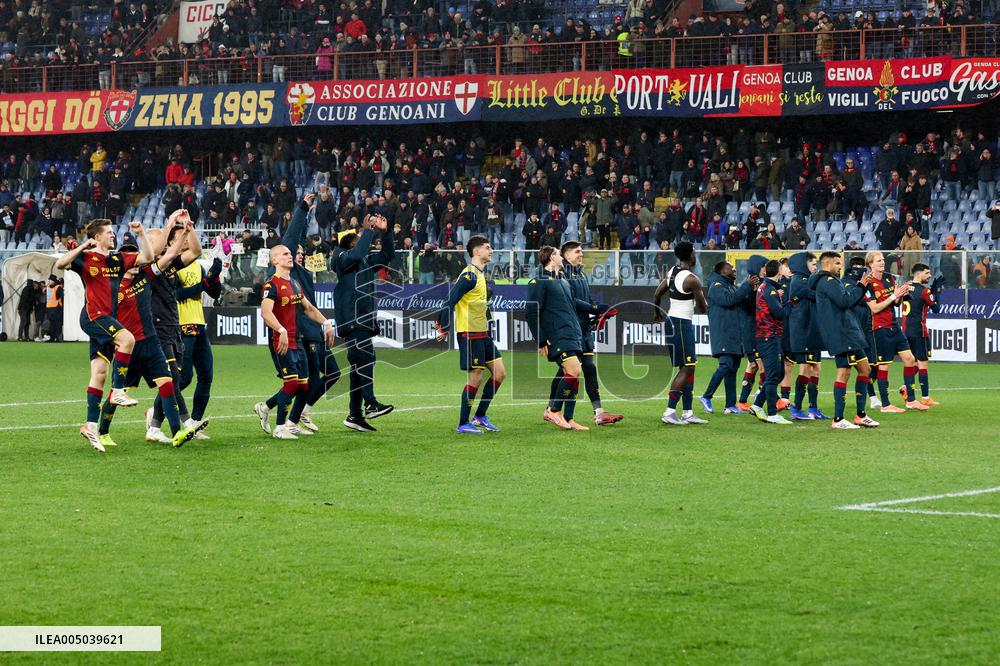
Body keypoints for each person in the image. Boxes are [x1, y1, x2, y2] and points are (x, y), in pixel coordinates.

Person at [98, 232, 206, 449]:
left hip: (152, 342)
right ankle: (102, 431)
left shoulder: (147, 276)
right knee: (118, 392)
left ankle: (177, 433)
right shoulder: (111, 288)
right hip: (129, 348)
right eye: (129, 259)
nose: (134, 263)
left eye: (135, 258)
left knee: (167, 383)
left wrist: (184, 231)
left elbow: (169, 255)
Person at [55, 218, 154, 451]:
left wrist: (142, 233)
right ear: (97, 237)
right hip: (93, 316)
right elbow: (60, 264)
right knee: (127, 339)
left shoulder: (118, 260)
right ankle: (118, 391)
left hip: (107, 320)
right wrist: (82, 246)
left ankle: (90, 425)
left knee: (99, 373)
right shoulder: (86, 258)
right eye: (109, 232)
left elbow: (148, 258)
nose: (113, 235)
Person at [256, 194, 341, 434]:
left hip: (308, 333)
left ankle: (281, 415)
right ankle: (285, 423)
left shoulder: (297, 281)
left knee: (305, 383)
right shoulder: (275, 282)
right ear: (275, 259)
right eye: (290, 253)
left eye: (296, 253)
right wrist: (302, 209)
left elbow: (309, 307)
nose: (295, 255)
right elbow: (266, 312)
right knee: (299, 382)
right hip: (293, 336)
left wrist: (326, 322)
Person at [435, 235, 506, 434]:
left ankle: (480, 416)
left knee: (500, 373)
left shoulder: (480, 274)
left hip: (482, 333)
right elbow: (449, 301)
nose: (491, 250)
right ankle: (463, 423)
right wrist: (443, 327)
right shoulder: (469, 276)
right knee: (476, 377)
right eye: (487, 247)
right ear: (477, 252)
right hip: (469, 333)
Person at [332, 212, 395, 432]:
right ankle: (370, 404)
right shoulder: (341, 258)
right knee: (367, 358)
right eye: (358, 238)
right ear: (349, 243)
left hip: (364, 320)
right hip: (352, 318)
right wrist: (369, 230)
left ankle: (354, 415)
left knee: (359, 365)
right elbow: (358, 252)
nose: (364, 241)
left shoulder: (365, 261)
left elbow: (388, 255)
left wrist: (385, 233)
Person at [146, 211, 204, 443]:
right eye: (155, 240)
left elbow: (196, 252)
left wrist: (189, 229)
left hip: (173, 325)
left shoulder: (169, 266)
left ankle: (154, 426)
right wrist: (172, 226)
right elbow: (168, 252)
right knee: (170, 377)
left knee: (173, 379)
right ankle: (187, 420)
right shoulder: (148, 267)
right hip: (157, 327)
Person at [556, 241, 623, 425]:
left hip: (584, 329)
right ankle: (554, 410)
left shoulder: (581, 274)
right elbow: (572, 301)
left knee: (585, 369)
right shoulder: (562, 275)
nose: (581, 254)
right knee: (568, 371)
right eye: (577, 252)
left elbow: (586, 298)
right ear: (566, 255)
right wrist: (596, 308)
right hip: (571, 329)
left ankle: (598, 412)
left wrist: (600, 310)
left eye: (581, 251)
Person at [813, 251, 880, 429]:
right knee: (844, 372)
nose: (840, 266)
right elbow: (845, 301)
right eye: (836, 263)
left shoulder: (834, 281)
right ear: (826, 264)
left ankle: (860, 415)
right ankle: (838, 419)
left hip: (850, 333)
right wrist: (861, 286)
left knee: (865, 370)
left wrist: (860, 287)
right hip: (841, 334)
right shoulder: (826, 282)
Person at [526, 245, 589, 431]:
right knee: (574, 370)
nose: (562, 257)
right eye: (559, 254)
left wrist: (596, 309)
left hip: (572, 333)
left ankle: (569, 418)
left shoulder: (562, 280)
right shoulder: (539, 281)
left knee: (571, 373)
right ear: (552, 257)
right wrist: (540, 339)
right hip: (558, 335)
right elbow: (531, 312)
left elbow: (573, 304)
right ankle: (553, 411)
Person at [864, 251, 927, 413]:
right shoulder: (867, 283)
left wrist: (900, 295)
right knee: (884, 366)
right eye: (878, 261)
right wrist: (894, 296)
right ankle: (885, 405)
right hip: (879, 328)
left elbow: (896, 304)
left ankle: (911, 400)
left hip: (894, 326)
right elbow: (875, 309)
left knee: (910, 359)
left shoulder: (889, 278)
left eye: (883, 260)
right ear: (870, 264)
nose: (882, 263)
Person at [652, 241, 708, 426]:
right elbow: (702, 308)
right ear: (691, 255)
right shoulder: (692, 279)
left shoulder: (672, 272)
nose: (695, 255)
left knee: (689, 366)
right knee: (687, 367)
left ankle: (688, 412)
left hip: (671, 321)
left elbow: (657, 294)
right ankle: (669, 412)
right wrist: (705, 301)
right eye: (694, 252)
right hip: (681, 323)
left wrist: (656, 312)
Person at [700, 260, 756, 414]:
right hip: (723, 333)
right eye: (731, 268)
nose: (734, 270)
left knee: (732, 370)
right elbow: (728, 300)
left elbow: (744, 304)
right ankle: (706, 396)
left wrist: (751, 290)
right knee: (725, 366)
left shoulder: (731, 287)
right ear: (723, 271)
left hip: (735, 334)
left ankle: (730, 405)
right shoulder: (716, 287)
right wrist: (746, 285)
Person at [176, 256, 223, 437]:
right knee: (184, 378)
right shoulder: (173, 265)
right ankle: (156, 412)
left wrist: (215, 277)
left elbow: (214, 293)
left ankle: (194, 424)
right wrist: (207, 280)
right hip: (181, 326)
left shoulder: (197, 266)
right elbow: (179, 295)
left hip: (199, 324)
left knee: (206, 375)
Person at [748, 260, 793, 425]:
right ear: (779, 273)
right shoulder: (770, 289)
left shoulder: (764, 287)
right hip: (769, 337)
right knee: (774, 374)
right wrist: (791, 302)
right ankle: (773, 413)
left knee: (778, 373)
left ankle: (757, 405)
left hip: (768, 336)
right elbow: (779, 313)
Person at [785, 252, 828, 420]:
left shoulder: (807, 280)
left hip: (812, 331)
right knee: (806, 368)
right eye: (812, 263)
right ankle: (796, 408)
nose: (815, 266)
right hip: (803, 332)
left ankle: (813, 408)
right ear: (803, 264)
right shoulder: (799, 280)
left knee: (815, 368)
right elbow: (815, 295)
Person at [900, 263, 943, 407]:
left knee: (911, 363)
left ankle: (906, 388)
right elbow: (936, 309)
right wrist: (937, 292)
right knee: (923, 364)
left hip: (906, 331)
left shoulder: (905, 286)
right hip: (919, 331)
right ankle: (925, 398)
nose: (929, 276)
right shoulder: (924, 291)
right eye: (927, 273)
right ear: (919, 274)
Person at [737, 255, 768, 410]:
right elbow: (746, 308)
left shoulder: (762, 284)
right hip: (751, 332)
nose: (765, 269)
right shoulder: (747, 285)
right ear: (756, 267)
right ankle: (765, 399)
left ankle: (742, 401)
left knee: (753, 365)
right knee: (762, 366)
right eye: (763, 266)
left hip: (759, 331)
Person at [44, 274, 63, 343]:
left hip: (57, 308)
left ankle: (58, 338)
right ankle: (52, 337)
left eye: (50, 280)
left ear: (54, 281)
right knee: (51, 324)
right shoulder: (48, 287)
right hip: (50, 308)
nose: (49, 282)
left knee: (57, 324)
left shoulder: (58, 287)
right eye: (48, 280)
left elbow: (60, 296)